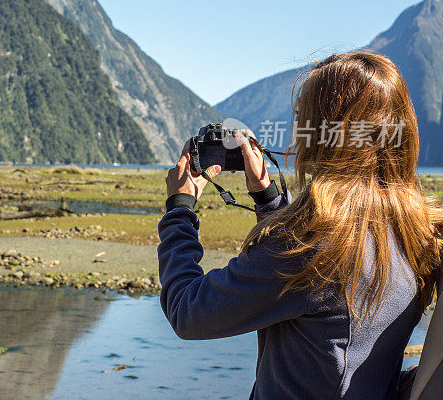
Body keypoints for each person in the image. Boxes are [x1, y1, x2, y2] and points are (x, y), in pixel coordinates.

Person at [158, 52, 442, 399]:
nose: (296, 132)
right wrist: (269, 201)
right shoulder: (418, 233)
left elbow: (188, 311)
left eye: (302, 118)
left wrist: (180, 210)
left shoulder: (311, 248)